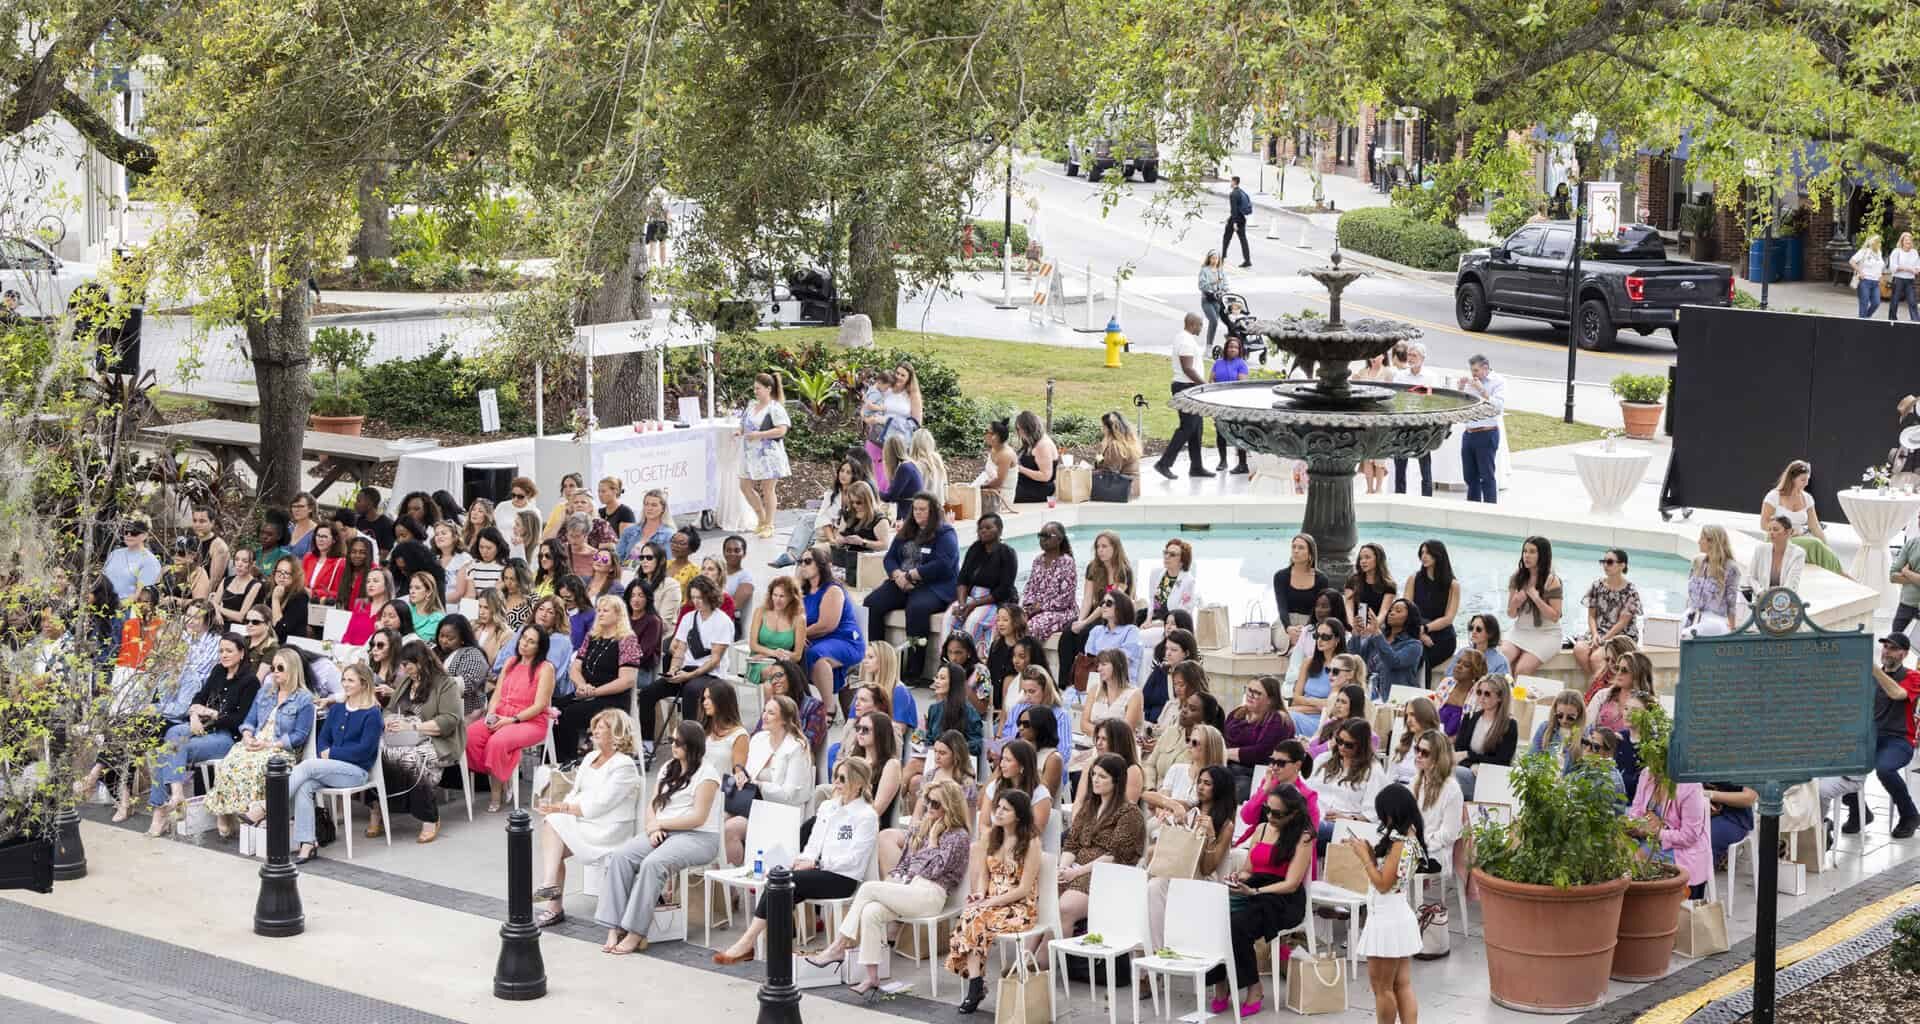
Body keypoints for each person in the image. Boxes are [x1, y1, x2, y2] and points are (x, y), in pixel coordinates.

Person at [809, 778, 973, 999]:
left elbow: (935, 870)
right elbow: (905, 863)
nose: (929, 808)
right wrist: (895, 880)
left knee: (868, 888)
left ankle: (838, 946)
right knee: (871, 912)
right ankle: (872, 977)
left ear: (950, 806)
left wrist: (933, 840)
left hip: (931, 895)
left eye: (936, 804)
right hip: (908, 888)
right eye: (927, 802)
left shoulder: (959, 836)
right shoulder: (920, 828)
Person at [713, 756, 881, 965]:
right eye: (836, 776)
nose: (836, 783)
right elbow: (813, 844)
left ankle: (748, 943)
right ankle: (775, 953)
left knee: (785, 883)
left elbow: (855, 858)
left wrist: (818, 864)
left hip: (843, 878)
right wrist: (802, 860)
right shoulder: (828, 807)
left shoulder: (866, 816)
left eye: (842, 778)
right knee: (781, 882)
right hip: (819, 871)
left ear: (857, 784)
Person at [598, 720, 724, 954]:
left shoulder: (707, 775)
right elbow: (653, 805)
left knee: (653, 863)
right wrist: (653, 827)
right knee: (620, 857)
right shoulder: (669, 767)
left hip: (699, 837)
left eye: (678, 742)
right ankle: (613, 927)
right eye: (671, 740)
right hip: (663, 830)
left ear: (692, 745)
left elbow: (698, 817)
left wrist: (661, 823)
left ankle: (636, 932)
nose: (673, 746)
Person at [530, 708, 643, 927]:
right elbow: (575, 791)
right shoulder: (591, 756)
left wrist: (563, 808)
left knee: (555, 825)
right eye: (596, 727)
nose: (595, 731)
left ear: (616, 734)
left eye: (602, 728)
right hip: (584, 820)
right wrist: (561, 807)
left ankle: (550, 893)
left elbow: (601, 804)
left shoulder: (624, 765)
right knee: (553, 827)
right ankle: (551, 892)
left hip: (608, 828)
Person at [1207, 783, 1313, 1015]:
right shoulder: (1262, 829)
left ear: (1293, 813)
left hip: (1283, 899)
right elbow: (1249, 870)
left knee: (1237, 925)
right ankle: (1221, 982)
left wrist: (1255, 893)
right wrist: (1238, 877)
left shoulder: (1304, 837)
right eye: (1268, 809)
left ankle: (1254, 986)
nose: (1270, 816)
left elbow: (1291, 883)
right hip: (1254, 887)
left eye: (1278, 813)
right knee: (1213, 916)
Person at [948, 788, 1044, 1014]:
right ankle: (976, 984)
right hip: (992, 902)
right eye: (998, 807)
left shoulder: (1031, 842)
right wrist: (981, 894)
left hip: (1019, 907)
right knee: (971, 914)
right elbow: (984, 875)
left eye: (1005, 809)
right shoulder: (991, 836)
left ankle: (976, 987)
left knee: (975, 919)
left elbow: (1024, 888)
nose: (998, 813)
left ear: (1018, 815)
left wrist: (990, 902)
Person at [204, 647, 316, 835]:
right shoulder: (266, 692)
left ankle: (254, 815)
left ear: (293, 669)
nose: (275, 672)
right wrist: (247, 736)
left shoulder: (304, 699)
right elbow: (249, 721)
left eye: (280, 668)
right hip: (256, 742)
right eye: (273, 668)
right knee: (229, 762)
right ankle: (224, 812)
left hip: (280, 749)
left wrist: (271, 745)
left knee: (257, 767)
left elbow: (299, 735)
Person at [1047, 753, 1147, 955]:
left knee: (1064, 909)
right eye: (1094, 775)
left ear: (1116, 781)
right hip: (1076, 868)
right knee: (1044, 902)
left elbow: (1114, 855)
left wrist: (1076, 873)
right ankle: (1030, 964)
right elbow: (1072, 844)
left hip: (1105, 875)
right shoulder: (1089, 807)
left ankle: (1045, 963)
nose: (1095, 780)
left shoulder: (1130, 813)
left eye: (1102, 776)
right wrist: (1063, 868)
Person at [288, 662, 384, 863]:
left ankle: (268, 805)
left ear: (364, 684)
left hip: (357, 773)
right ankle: (307, 843)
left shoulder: (372, 713)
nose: (345, 684)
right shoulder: (338, 709)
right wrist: (326, 751)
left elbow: (364, 750)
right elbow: (323, 739)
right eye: (344, 679)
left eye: (351, 680)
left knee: (307, 766)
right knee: (304, 786)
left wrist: (331, 754)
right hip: (333, 770)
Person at [1348, 786, 1428, 1023]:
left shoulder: (1401, 843)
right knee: (1402, 984)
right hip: (1396, 915)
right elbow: (1391, 877)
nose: (1383, 819)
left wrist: (1365, 859)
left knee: (1382, 988)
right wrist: (1370, 855)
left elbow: (1383, 884)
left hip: (1387, 921)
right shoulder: (1409, 837)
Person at [863, 493, 957, 683]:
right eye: (915, 509)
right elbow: (889, 558)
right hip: (901, 581)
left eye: (923, 509)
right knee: (872, 603)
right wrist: (897, 574)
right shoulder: (907, 530)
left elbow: (943, 564)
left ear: (933, 511)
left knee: (917, 610)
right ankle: (878, 657)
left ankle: (914, 672)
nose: (918, 513)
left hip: (932, 585)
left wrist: (912, 575)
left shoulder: (945, 533)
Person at [467, 624, 559, 812]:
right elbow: (497, 695)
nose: (524, 644)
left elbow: (540, 705)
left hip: (530, 720)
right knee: (470, 736)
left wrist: (511, 720)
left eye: (531, 641)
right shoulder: (510, 662)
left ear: (539, 647)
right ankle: (503, 775)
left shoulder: (545, 668)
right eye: (524, 638)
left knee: (497, 742)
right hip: (502, 713)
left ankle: (496, 793)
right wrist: (491, 714)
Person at [635, 575, 733, 745]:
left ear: (710, 595)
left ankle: (689, 743)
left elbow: (715, 659)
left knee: (691, 691)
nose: (696, 602)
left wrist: (688, 677)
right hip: (687, 670)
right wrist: (673, 669)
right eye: (693, 597)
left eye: (700, 598)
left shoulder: (722, 621)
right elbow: (680, 650)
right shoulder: (689, 618)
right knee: (647, 694)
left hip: (711, 674)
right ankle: (647, 743)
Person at [722, 694, 815, 863]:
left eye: (771, 713)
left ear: (785, 720)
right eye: (764, 711)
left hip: (782, 810)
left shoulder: (797, 747)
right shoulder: (759, 739)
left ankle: (736, 885)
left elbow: (789, 795)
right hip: (752, 804)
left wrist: (760, 785)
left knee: (730, 829)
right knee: (714, 820)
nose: (764, 716)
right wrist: (741, 775)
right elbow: (748, 775)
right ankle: (718, 884)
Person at [555, 595, 644, 760]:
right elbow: (574, 668)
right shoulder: (592, 636)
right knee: (554, 709)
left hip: (612, 698)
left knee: (568, 715)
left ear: (618, 614)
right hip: (587, 693)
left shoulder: (627, 639)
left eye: (605, 610)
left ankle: (567, 762)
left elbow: (627, 680)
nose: (600, 614)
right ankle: (553, 764)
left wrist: (595, 692)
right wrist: (582, 685)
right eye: (599, 610)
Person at [794, 544, 865, 709]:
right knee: (791, 653)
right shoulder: (802, 591)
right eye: (800, 562)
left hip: (843, 638)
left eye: (807, 561)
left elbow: (827, 625)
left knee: (815, 655)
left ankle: (828, 708)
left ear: (821, 564)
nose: (802, 566)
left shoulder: (832, 590)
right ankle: (801, 703)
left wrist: (799, 635)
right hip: (817, 639)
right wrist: (796, 583)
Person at [1628, 771, 1711, 898]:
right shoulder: (1647, 774)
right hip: (1648, 841)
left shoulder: (1690, 784)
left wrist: (1657, 831)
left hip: (1681, 851)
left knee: (1635, 865)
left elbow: (1689, 837)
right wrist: (1640, 824)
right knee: (1622, 858)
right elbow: (1635, 812)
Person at [1869, 634, 1920, 838]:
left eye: (1893, 648)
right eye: (1885, 647)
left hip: (1900, 740)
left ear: (1904, 654)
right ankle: (1858, 812)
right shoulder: (1871, 678)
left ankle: (1909, 815)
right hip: (1872, 737)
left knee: (1884, 769)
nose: (1886, 651)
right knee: (1839, 763)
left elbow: (1897, 694)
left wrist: (1873, 670)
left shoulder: (1914, 677)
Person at [1155, 313, 1214, 480]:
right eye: (1200, 325)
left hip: (1190, 387)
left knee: (1197, 428)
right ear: (1193, 324)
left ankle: (1196, 467)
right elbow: (1188, 368)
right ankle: (1164, 463)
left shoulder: (1185, 338)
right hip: (1185, 388)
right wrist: (1204, 385)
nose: (1202, 328)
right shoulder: (1186, 341)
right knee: (1187, 427)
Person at [950, 512, 1017, 653]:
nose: (983, 531)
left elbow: (1004, 589)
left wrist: (973, 604)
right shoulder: (975, 549)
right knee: (950, 617)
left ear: (999, 530)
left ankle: (968, 661)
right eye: (980, 528)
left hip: (994, 601)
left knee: (972, 623)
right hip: (971, 597)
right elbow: (962, 579)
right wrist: (962, 604)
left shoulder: (1007, 553)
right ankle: (946, 661)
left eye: (988, 528)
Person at [1763, 460, 1845, 575]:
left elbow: (1815, 527)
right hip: (1777, 538)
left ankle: (1838, 573)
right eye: (1803, 480)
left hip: (1799, 538)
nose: (1806, 483)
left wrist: (1826, 546)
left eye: (1807, 479)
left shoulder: (1807, 498)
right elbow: (1764, 524)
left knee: (1820, 546)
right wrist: (1786, 531)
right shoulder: (1774, 496)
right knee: (1814, 544)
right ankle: (1840, 574)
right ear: (1792, 479)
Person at [1499, 535, 1564, 676]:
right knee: (1501, 660)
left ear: (1543, 555)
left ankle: (1518, 698)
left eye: (1532, 552)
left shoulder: (1552, 580)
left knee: (1522, 669)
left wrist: (1536, 598)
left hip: (1546, 634)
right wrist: (1515, 603)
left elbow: (1555, 616)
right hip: (1520, 631)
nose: (1526, 556)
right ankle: (1502, 696)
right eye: (1525, 551)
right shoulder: (1517, 577)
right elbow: (1511, 614)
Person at [738, 371, 792, 538]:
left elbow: (782, 430)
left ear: (768, 389)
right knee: (745, 486)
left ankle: (769, 523)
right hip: (749, 453)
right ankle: (760, 518)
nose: (756, 391)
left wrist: (759, 435)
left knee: (767, 489)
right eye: (754, 388)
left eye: (758, 388)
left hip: (768, 454)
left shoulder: (775, 408)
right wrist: (739, 431)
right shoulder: (751, 406)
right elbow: (743, 424)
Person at [1572, 548, 1642, 675]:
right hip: (1598, 632)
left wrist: (1604, 639)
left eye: (1609, 562)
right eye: (1603, 561)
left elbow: (1622, 623)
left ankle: (1599, 690)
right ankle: (1595, 686)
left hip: (1621, 635)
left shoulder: (1630, 590)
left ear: (1622, 565)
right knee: (1579, 650)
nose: (1605, 565)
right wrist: (1595, 636)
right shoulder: (1597, 585)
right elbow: (1591, 616)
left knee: (1596, 658)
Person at [1452, 674, 1518, 800]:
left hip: (1490, 778)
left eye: (1487, 694)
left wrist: (1469, 756)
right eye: (1479, 692)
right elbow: (1458, 750)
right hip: (1468, 771)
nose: (1481, 698)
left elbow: (1502, 761)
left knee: (1452, 774)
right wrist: (1471, 765)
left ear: (1500, 697)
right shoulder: (1471, 717)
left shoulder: (1509, 725)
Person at [1224, 675, 1292, 794]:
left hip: (1255, 772)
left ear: (1270, 699)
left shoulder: (1277, 719)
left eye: (1257, 693)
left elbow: (1261, 753)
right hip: (1227, 765)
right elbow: (1222, 736)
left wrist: (1225, 753)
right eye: (1249, 690)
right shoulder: (1239, 712)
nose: (1250, 695)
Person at [1353, 597, 1424, 703]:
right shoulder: (1376, 638)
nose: (1392, 613)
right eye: (1390, 610)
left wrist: (1377, 632)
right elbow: (1356, 658)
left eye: (1398, 611)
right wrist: (1356, 635)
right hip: (1369, 695)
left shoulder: (1414, 645)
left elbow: (1393, 661)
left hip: (1396, 700)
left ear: (1410, 617)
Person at [1018, 523, 1078, 651]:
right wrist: (1029, 605)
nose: (1042, 539)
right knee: (1011, 621)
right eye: (1040, 536)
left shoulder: (1067, 562)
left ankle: (1030, 661)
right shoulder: (1038, 561)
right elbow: (1030, 588)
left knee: (1033, 627)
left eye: (1047, 536)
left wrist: (1042, 607)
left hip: (1061, 612)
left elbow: (1066, 598)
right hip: (1036, 609)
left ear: (1059, 539)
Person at [1409, 539, 1461, 685]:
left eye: (1428, 553)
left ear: (1438, 555)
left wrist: (1425, 629)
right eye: (1422, 553)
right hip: (1416, 630)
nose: (1424, 556)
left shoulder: (1453, 585)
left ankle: (1422, 695)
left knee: (1421, 654)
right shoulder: (1413, 579)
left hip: (1442, 636)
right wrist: (1420, 633)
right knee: (1416, 650)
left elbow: (1448, 618)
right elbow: (1406, 610)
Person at [1392, 343, 1439, 495]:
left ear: (1422, 358)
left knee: (1425, 466)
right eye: (1409, 355)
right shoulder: (1400, 375)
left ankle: (1427, 498)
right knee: (1400, 465)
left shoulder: (1431, 377)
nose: (1410, 358)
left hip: (1422, 425)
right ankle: (1400, 496)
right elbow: (1395, 397)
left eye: (1414, 355)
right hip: (1403, 425)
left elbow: (1435, 400)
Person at [1459, 354, 1506, 502]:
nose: (1473, 374)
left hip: (1487, 433)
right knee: (1469, 476)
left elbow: (1498, 406)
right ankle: (1473, 508)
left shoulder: (1498, 382)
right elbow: (1462, 404)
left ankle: (1490, 511)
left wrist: (1482, 390)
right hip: (1469, 433)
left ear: (1485, 368)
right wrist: (1460, 388)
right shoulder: (1472, 382)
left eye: (1476, 371)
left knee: (1487, 475)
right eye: (1472, 371)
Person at [1288, 616, 1345, 734]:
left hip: (1326, 721)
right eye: (1317, 636)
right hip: (1301, 713)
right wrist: (1318, 703)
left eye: (1325, 637)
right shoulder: (1309, 662)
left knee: (1286, 719)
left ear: (1337, 639)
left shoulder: (1343, 667)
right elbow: (1296, 698)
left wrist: (1303, 704)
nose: (1319, 640)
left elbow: (1334, 707)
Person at [1684, 525, 1742, 638]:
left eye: (1702, 538)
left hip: (1715, 620)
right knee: (1682, 632)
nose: (1698, 541)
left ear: (1712, 542)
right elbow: (1689, 598)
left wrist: (1733, 630)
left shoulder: (1731, 568)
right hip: (1694, 616)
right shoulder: (1697, 561)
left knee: (1686, 635)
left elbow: (1731, 603)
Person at [1142, 538, 1199, 652]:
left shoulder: (1188, 581)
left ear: (1182, 561)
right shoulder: (1156, 574)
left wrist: (1154, 625)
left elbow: (1182, 615)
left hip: (1173, 627)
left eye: (1172, 554)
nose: (1167, 556)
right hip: (1153, 623)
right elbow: (1152, 600)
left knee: (1139, 639)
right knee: (1142, 647)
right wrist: (1147, 621)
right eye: (1166, 552)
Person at [1142, 626, 1198, 731]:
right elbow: (1143, 702)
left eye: (1174, 650)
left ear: (1186, 653)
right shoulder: (1159, 672)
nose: (1168, 653)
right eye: (1167, 648)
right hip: (1151, 727)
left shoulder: (1194, 677)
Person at [1084, 587, 1145, 684]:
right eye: (1102, 603)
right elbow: (1088, 661)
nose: (1103, 606)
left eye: (1109, 603)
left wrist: (1099, 661)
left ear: (1121, 607)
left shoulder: (1131, 631)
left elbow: (1121, 662)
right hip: (1095, 682)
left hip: (1121, 685)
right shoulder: (1096, 631)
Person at [1355, 354, 1393, 492]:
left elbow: (1391, 395)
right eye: (1372, 355)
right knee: (1367, 457)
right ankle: (1369, 488)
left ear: (1383, 356)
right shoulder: (1362, 372)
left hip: (1381, 418)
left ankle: (1378, 489)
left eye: (1376, 354)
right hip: (1365, 418)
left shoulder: (1388, 373)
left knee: (1379, 457)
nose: (1373, 357)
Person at [1273, 533, 1329, 626]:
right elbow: (1282, 607)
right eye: (1293, 547)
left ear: (1310, 553)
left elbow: (1319, 610)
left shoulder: (1321, 579)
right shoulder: (1280, 576)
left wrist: (1304, 630)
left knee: (1306, 638)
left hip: (1311, 622)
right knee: (1284, 639)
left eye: (1301, 548)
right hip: (1285, 622)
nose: (1296, 551)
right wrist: (1289, 628)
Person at [103, 521, 163, 601]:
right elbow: (102, 579)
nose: (128, 535)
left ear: (144, 536)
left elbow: (143, 597)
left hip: (127, 609)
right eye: (126, 532)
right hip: (103, 605)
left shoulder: (150, 561)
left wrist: (117, 606)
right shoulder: (114, 554)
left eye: (134, 532)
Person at [1530, 689, 1588, 771]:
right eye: (1560, 715)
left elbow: (1583, 770)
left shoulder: (1585, 735)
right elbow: (1531, 758)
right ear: (1555, 711)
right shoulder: (1545, 728)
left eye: (1570, 717)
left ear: (1579, 714)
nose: (1564, 720)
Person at [1748, 514, 1806, 592]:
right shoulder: (1760, 549)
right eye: (1769, 529)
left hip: (1786, 599)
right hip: (1761, 599)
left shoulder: (1798, 553)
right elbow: (1750, 577)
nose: (1771, 533)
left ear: (1788, 532)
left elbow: (1792, 583)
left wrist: (1777, 597)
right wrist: (1760, 592)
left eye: (1775, 529)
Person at [972, 419, 1019, 515]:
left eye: (987, 432)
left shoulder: (1006, 454)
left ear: (995, 436)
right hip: (988, 490)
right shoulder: (994, 449)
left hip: (1000, 497)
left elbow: (999, 482)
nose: (984, 434)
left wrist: (979, 487)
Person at [1011, 410, 1058, 505]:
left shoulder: (1043, 445)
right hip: (1027, 484)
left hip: (1039, 489)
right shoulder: (1033, 442)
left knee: (1004, 493)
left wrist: (1020, 469)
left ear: (1029, 429)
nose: (1019, 433)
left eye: (1019, 429)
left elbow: (1045, 476)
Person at [1095, 411, 1143, 498]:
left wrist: (1100, 451)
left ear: (1110, 429)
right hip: (1131, 487)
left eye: (1103, 427)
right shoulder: (1127, 442)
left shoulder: (1115, 445)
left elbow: (1109, 471)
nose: (1101, 429)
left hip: (1123, 489)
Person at [1198, 249, 1230, 348]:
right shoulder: (1204, 270)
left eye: (1216, 258)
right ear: (1209, 259)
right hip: (1207, 300)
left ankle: (1210, 344)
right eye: (1212, 258)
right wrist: (1214, 282)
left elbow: (1226, 285)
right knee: (1214, 321)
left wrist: (1223, 290)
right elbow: (1202, 285)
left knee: (1216, 323)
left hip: (1217, 300)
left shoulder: (1221, 271)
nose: (1214, 260)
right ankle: (1208, 347)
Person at [1850, 233, 1885, 318]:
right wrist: (1860, 272)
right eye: (1876, 241)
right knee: (1864, 304)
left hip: (1875, 282)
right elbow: (1852, 261)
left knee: (1876, 303)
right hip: (1865, 281)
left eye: (1879, 242)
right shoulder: (1864, 251)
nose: (1878, 243)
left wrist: (1880, 276)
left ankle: (1866, 318)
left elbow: (1880, 266)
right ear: (1871, 242)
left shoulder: (1879, 253)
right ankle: (1863, 322)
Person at [1221, 175, 1252, 268]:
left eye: (1231, 181)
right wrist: (1230, 218)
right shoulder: (1241, 191)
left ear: (1234, 182)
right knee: (1243, 240)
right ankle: (1247, 260)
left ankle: (1222, 257)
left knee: (1226, 237)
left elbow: (1234, 209)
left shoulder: (1233, 194)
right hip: (1242, 218)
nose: (1230, 183)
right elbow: (1238, 208)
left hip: (1236, 220)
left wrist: (1234, 222)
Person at [1889, 232, 1919, 321]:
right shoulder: (1896, 251)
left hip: (1910, 280)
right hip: (1898, 280)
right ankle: (1892, 320)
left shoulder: (1914, 252)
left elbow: (1918, 265)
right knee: (1894, 302)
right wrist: (1909, 269)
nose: (1908, 242)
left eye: (1910, 240)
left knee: (1912, 302)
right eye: (1906, 240)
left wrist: (1917, 270)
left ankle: (1916, 321)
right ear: (1902, 241)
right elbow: (1893, 267)